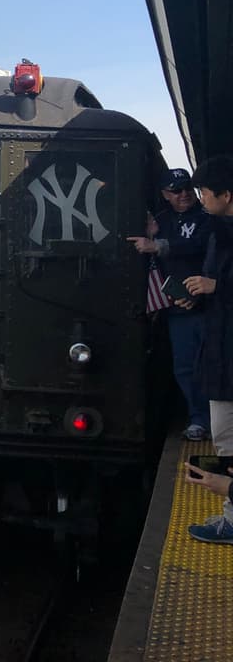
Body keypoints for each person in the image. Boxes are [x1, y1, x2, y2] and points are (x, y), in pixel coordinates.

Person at [128, 167, 213, 440]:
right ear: (165, 194)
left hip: (212, 306)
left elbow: (199, 246)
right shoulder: (160, 222)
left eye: (187, 188)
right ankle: (199, 419)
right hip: (179, 308)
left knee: (215, 364)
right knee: (186, 367)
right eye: (176, 190)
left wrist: (159, 245)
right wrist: (153, 238)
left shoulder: (209, 218)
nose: (184, 194)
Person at [180, 155, 233, 543]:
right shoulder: (218, 232)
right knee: (225, 438)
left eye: (203, 192)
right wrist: (198, 295)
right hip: (222, 352)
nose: (200, 199)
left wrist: (217, 288)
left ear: (225, 195)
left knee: (229, 439)